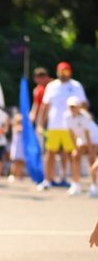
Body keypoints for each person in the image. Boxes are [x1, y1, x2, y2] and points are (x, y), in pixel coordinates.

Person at [37, 62, 87, 190]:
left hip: (71, 126)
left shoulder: (76, 86)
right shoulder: (51, 86)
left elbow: (84, 104)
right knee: (50, 152)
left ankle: (70, 179)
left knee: (71, 153)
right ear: (57, 72)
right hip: (54, 125)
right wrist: (40, 124)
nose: (64, 74)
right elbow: (45, 106)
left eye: (66, 71)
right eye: (61, 71)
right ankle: (47, 180)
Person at [63, 96, 93, 196]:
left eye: (74, 106)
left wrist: (90, 150)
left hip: (93, 138)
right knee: (75, 156)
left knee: (92, 160)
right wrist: (75, 147)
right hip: (82, 139)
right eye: (70, 107)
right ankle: (76, 184)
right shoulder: (67, 117)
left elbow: (88, 135)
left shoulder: (85, 116)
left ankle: (94, 186)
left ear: (79, 107)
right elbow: (71, 134)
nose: (72, 109)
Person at [8, 114, 25, 181]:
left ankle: (19, 175)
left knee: (21, 162)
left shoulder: (24, 127)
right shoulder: (15, 127)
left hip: (22, 147)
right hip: (16, 147)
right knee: (15, 162)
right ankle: (12, 175)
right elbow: (19, 129)